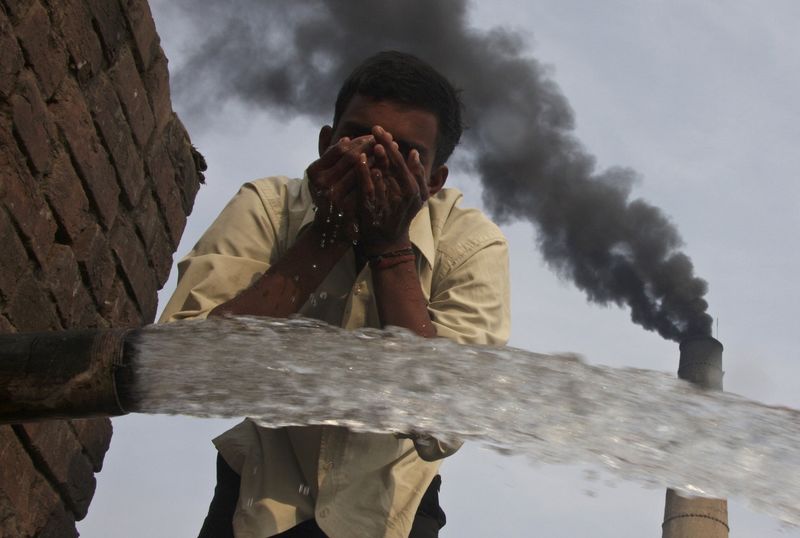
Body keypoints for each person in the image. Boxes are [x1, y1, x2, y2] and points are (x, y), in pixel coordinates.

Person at [160, 51, 510, 538]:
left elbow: (444, 422)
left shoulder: (470, 244)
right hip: (258, 493)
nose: (374, 164)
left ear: (433, 181)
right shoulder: (269, 206)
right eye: (359, 141)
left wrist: (390, 249)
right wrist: (325, 236)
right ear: (327, 143)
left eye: (402, 154)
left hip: (392, 510)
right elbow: (178, 368)